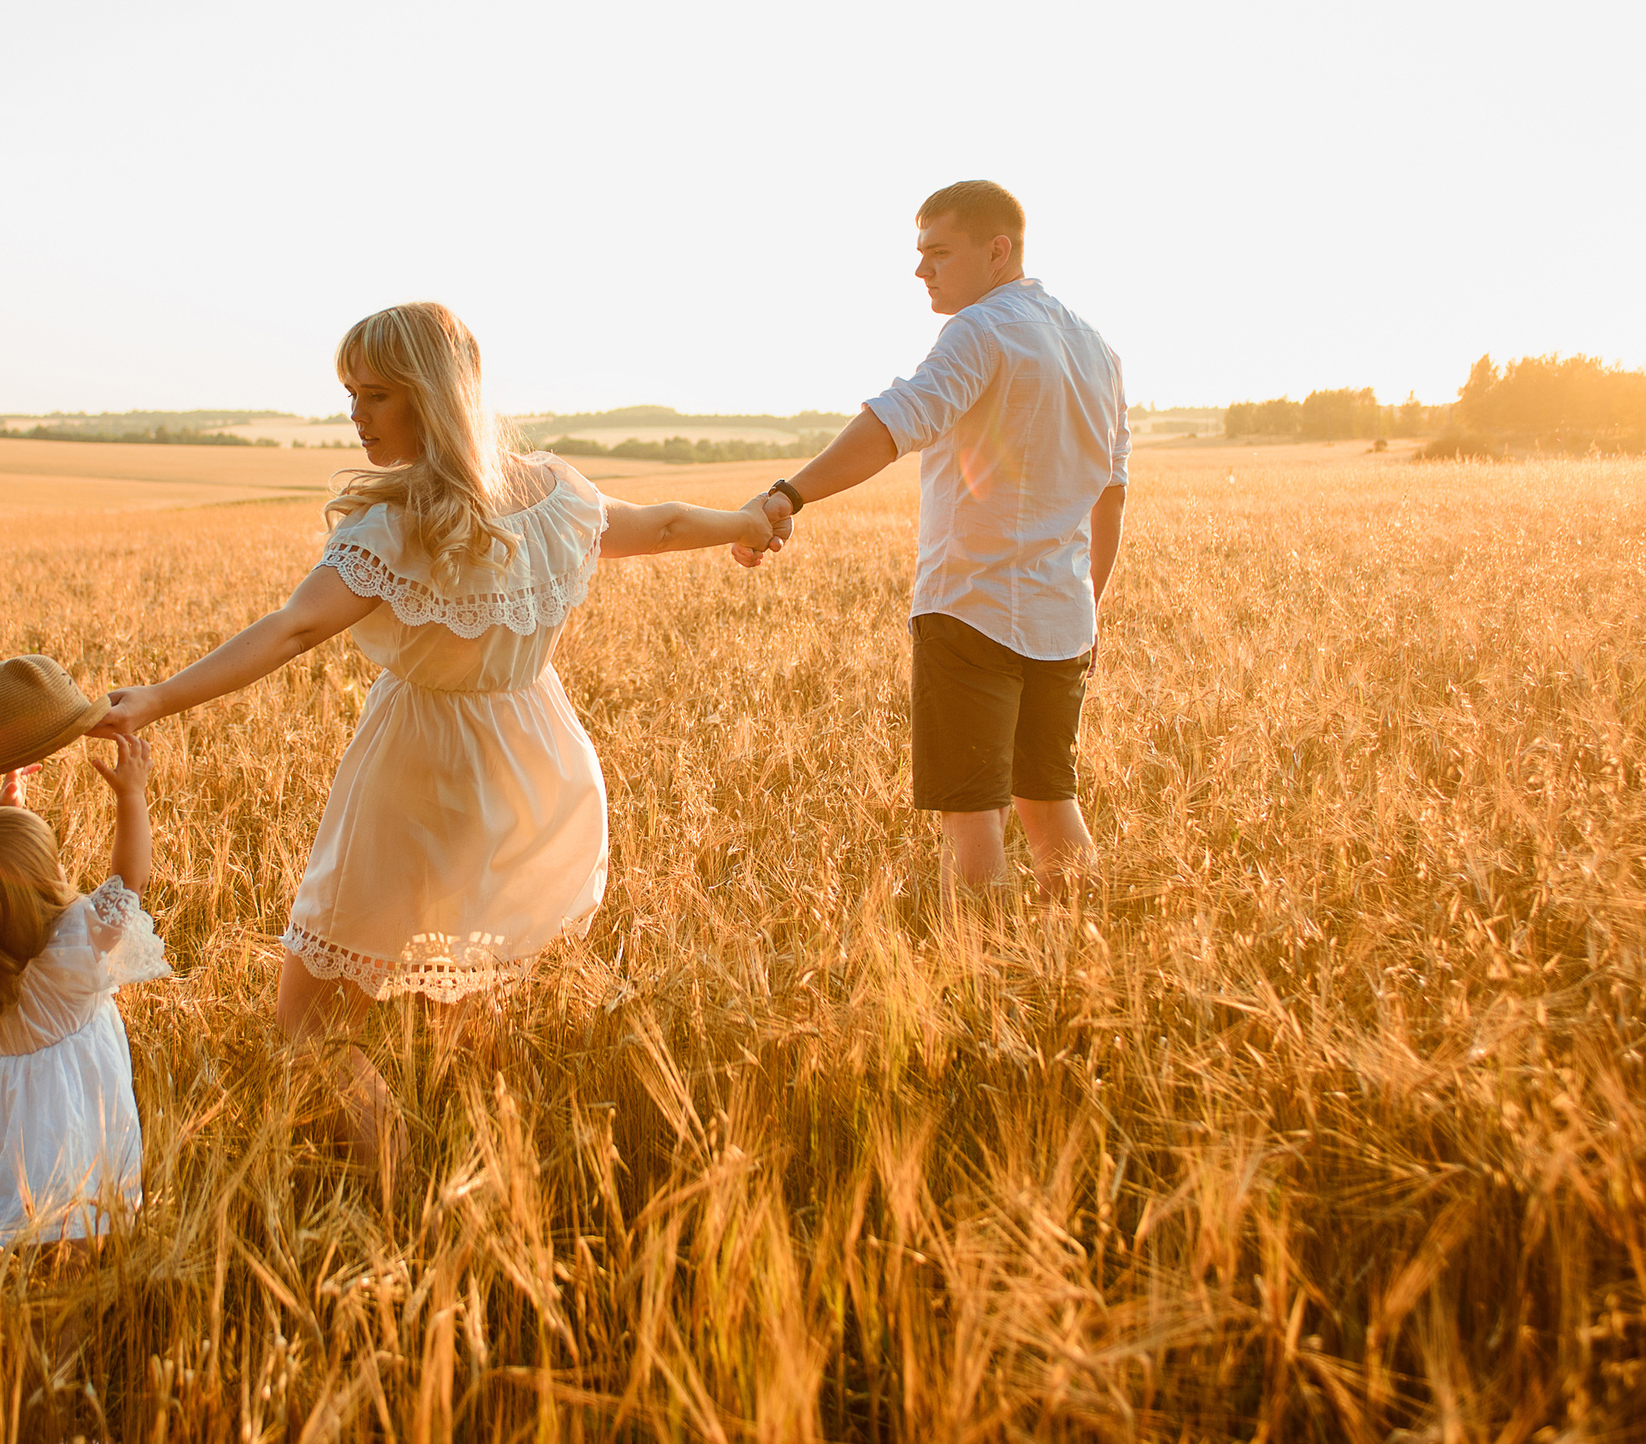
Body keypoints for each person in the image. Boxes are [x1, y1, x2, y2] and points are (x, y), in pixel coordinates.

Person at [93, 301, 785, 1163]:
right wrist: (750, 525)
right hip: (534, 764)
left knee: (308, 1021)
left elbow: (292, 630)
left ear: (428, 396)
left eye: (375, 395)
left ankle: (399, 1184)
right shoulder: (556, 494)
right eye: (350, 393)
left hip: (419, 769)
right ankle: (475, 1181)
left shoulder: (397, 525)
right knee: (460, 1001)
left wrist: (158, 697)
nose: (356, 415)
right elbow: (667, 524)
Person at [741, 180, 1129, 901]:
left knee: (971, 817)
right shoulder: (1097, 349)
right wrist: (1090, 609)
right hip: (1062, 620)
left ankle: (981, 986)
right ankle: (1077, 970)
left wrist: (788, 494)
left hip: (970, 609)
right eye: (920, 254)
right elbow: (1112, 492)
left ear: (998, 249)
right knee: (1051, 802)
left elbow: (895, 423)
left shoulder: (981, 330)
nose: (922, 270)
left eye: (939, 253)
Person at [0, 730, 170, 1262]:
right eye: (51, 867)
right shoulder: (75, 947)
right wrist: (131, 795)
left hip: (4, 1127)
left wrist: (6, 816)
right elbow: (130, 879)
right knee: (78, 1224)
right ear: (39, 892)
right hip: (70, 1117)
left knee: (10, 1232)